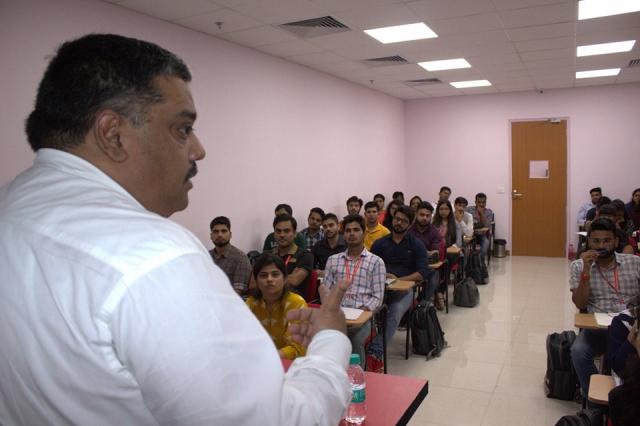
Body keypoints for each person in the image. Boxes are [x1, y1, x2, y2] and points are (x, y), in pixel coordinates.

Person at [0, 34, 352, 425]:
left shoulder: (10, 208)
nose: (198, 149)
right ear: (113, 134)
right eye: (183, 129)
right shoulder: (157, 256)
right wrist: (330, 341)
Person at [569, 218, 640, 403]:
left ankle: (628, 400)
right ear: (588, 242)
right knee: (578, 351)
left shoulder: (634, 263)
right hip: (597, 329)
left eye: (607, 240)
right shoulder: (579, 265)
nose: (601, 246)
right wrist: (586, 271)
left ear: (616, 241)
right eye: (596, 241)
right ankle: (594, 402)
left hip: (631, 327)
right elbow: (580, 302)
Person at [368, 206, 430, 371]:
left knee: (394, 311)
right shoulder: (380, 243)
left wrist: (399, 280)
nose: (399, 223)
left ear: (409, 224)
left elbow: (422, 273)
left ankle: (375, 352)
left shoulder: (416, 245)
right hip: (380, 287)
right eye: (397, 219)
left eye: (403, 221)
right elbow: (369, 266)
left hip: (405, 289)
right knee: (367, 309)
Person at [324, 214, 386, 367]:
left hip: (363, 319)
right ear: (343, 234)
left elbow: (377, 297)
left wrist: (361, 314)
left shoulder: (376, 262)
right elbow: (326, 291)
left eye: (356, 230)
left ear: (364, 233)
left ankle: (357, 377)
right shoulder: (333, 260)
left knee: (355, 340)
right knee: (324, 338)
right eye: (348, 230)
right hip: (337, 315)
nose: (352, 234)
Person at [246, 254, 307, 360]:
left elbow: (299, 348)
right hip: (256, 361)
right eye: (263, 275)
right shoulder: (251, 303)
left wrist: (267, 357)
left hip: (288, 364)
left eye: (275, 275)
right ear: (256, 281)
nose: (269, 279)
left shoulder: (297, 303)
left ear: (285, 279)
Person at [270, 214, 314, 298]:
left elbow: (294, 281)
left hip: (292, 302)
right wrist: (287, 277)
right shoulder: (267, 255)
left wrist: (265, 279)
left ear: (295, 233)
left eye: (286, 231)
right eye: (278, 231)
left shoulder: (305, 255)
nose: (282, 235)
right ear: (274, 234)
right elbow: (252, 284)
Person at [410, 201, 443, 308]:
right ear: (416, 214)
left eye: (427, 216)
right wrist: (425, 252)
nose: (424, 218)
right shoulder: (408, 230)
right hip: (407, 265)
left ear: (431, 216)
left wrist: (415, 251)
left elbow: (434, 254)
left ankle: (420, 305)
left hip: (425, 266)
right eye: (422, 215)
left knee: (434, 275)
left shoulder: (434, 232)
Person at [209, 216, 252, 295]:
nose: (219, 235)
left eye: (224, 231)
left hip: (228, 301)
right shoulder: (205, 257)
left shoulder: (241, 258)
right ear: (211, 236)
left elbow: (238, 291)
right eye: (215, 231)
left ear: (230, 235)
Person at [467, 192, 494, 262]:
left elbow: (487, 225)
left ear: (486, 202)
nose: (481, 204)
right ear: (475, 202)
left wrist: (481, 213)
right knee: (463, 245)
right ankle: (469, 262)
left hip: (482, 235)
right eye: (479, 202)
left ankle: (480, 261)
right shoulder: (469, 209)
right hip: (469, 235)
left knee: (486, 243)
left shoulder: (489, 212)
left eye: (483, 202)